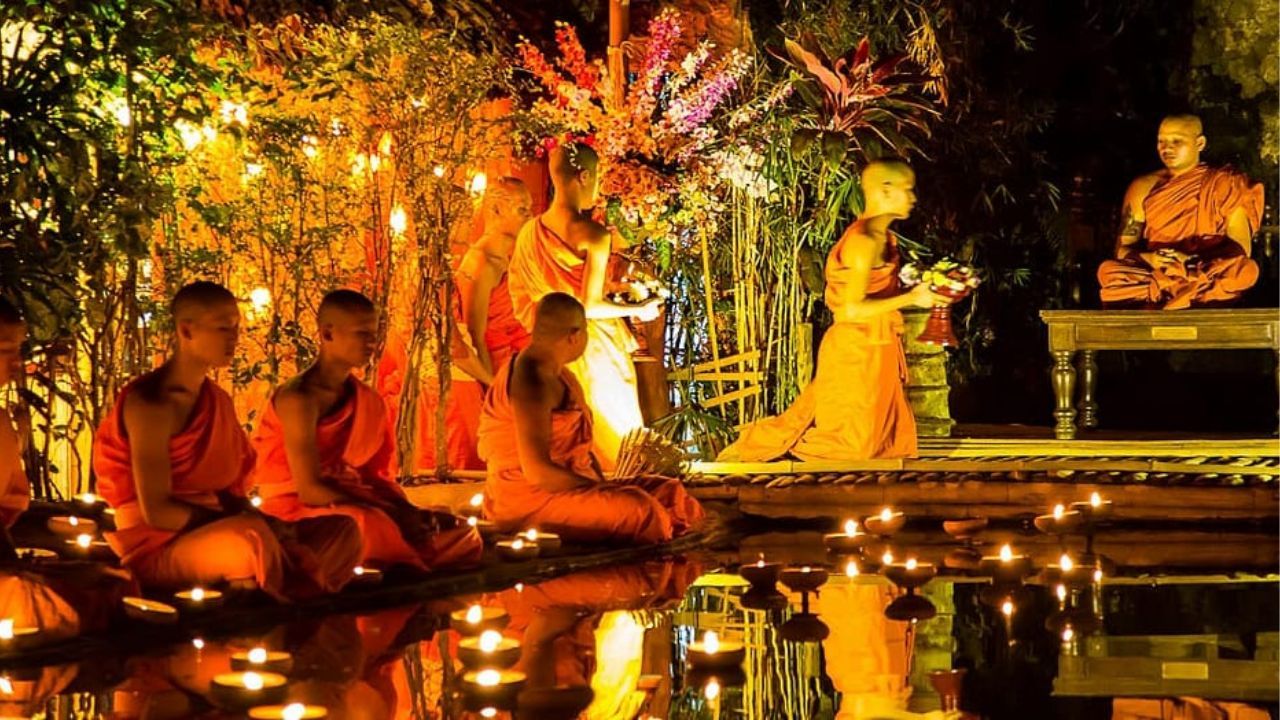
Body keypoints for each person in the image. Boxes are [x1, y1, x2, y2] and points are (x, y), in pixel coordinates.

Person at [93, 282, 362, 599]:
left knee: (343, 531)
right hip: (162, 544)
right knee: (247, 540)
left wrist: (267, 522)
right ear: (186, 330)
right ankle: (279, 588)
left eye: (236, 327)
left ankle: (267, 581)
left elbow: (230, 493)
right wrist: (242, 522)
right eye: (223, 328)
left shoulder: (216, 399)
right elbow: (158, 511)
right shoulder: (152, 404)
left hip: (221, 529)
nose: (234, 338)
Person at [718, 160, 946, 461]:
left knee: (877, 439)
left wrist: (921, 287)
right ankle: (783, 465)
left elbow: (875, 293)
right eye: (907, 190)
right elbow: (851, 309)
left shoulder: (884, 238)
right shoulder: (863, 242)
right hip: (855, 347)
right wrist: (911, 298)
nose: (913, 198)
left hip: (876, 345)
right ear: (884, 191)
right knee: (850, 444)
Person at [251, 289, 483, 572]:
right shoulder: (298, 399)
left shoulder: (367, 399)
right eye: (362, 333)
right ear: (327, 334)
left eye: (374, 333)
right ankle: (396, 558)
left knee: (459, 530)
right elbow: (309, 489)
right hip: (298, 509)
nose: (372, 342)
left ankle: (394, 557)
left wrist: (410, 512)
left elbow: (377, 476)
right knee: (365, 525)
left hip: (355, 500)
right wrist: (390, 514)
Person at [476, 292, 703, 544]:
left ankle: (664, 529)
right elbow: (539, 473)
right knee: (641, 510)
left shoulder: (561, 375)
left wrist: (605, 486)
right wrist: (604, 489)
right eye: (586, 330)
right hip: (529, 500)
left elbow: (581, 452)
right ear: (574, 336)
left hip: (567, 490)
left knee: (668, 491)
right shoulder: (532, 381)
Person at [505, 143, 661, 470]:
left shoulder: (528, 233)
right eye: (599, 177)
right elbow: (588, 305)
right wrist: (639, 308)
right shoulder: (593, 233)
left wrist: (618, 289)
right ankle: (620, 494)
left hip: (550, 347)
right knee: (615, 433)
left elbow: (531, 295)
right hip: (593, 345)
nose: (599, 187)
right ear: (585, 176)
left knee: (567, 426)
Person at [1097, 114, 1263, 309]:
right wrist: (1150, 258)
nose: (1167, 148)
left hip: (1204, 270)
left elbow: (1241, 249)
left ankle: (1172, 291)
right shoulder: (1142, 187)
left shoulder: (1226, 183)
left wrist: (1191, 262)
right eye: (1161, 141)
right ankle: (1184, 291)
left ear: (1200, 143)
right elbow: (1122, 248)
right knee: (1107, 272)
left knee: (1245, 270)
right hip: (1160, 272)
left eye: (1177, 141)